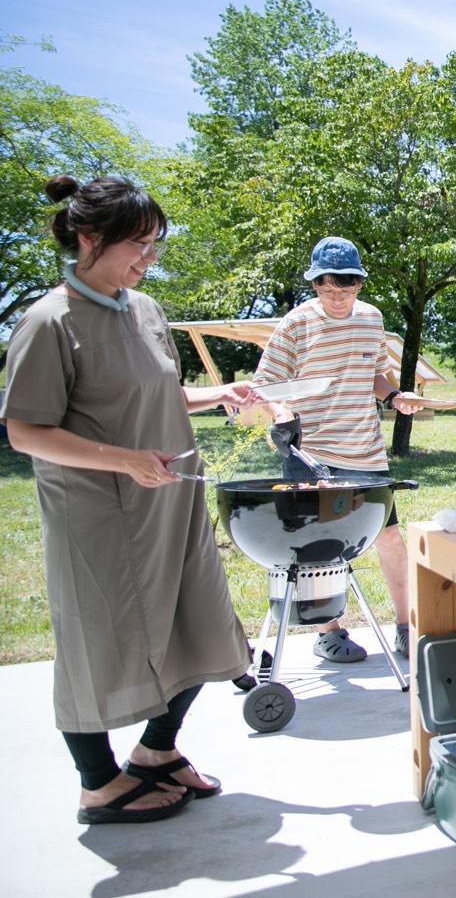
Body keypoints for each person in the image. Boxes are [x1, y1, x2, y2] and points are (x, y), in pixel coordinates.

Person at [2, 175, 253, 824]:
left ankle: (156, 753)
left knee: (199, 621)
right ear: (88, 238)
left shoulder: (143, 309)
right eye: (138, 245)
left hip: (170, 499)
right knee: (98, 641)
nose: (149, 258)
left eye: (155, 246)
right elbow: (25, 428)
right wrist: (122, 461)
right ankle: (97, 781)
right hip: (98, 515)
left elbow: (157, 392)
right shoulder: (48, 321)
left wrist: (219, 394)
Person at [255, 236, 424, 662]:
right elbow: (264, 384)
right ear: (314, 283)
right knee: (319, 546)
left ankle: (406, 627)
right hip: (312, 451)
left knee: (388, 539)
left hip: (365, 450)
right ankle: (329, 632)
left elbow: (376, 374)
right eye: (326, 290)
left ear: (360, 285)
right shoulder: (296, 323)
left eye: (345, 290)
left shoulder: (371, 319)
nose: (335, 298)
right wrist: (279, 412)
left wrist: (394, 397)